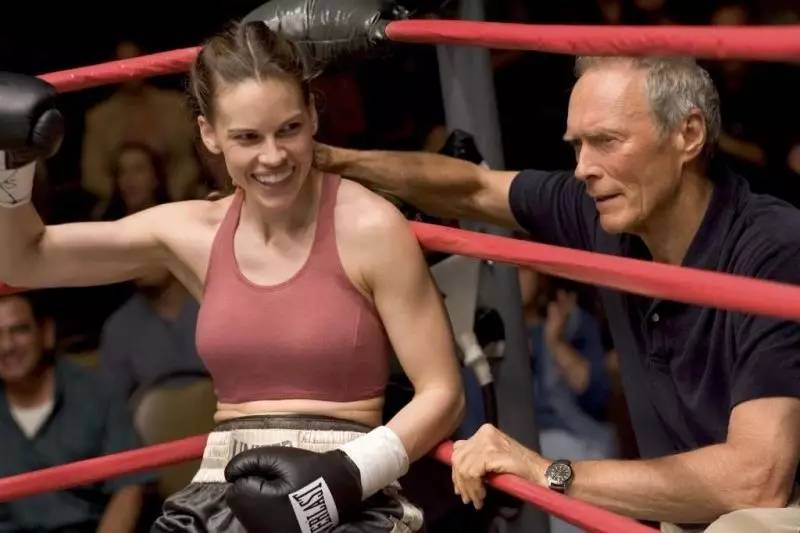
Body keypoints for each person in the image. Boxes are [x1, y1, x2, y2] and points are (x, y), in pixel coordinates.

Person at [309, 34, 800, 533]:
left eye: (606, 141)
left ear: (688, 134)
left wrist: (546, 471)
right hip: (696, 515)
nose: (583, 168)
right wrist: (329, 161)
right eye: (577, 145)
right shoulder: (607, 212)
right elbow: (473, 188)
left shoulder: (773, 246)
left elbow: (757, 482)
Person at [0, 20, 464, 533]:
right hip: (218, 497)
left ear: (313, 114)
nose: (273, 157)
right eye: (247, 137)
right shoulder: (194, 234)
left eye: (289, 129)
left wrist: (343, 478)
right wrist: (10, 166)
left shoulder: (370, 227)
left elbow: (443, 393)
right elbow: (25, 260)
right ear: (210, 134)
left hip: (348, 484)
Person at [0, 292, 152, 532]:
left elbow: (130, 487)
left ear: (46, 333)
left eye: (19, 330)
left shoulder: (97, 392)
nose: (7, 345)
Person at [81, 40, 199, 203]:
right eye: (123, 63)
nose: (131, 70)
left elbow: (192, 158)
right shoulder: (99, 117)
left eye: (135, 61)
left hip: (181, 197)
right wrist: (126, 195)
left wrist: (171, 194)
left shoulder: (175, 104)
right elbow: (92, 175)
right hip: (123, 207)